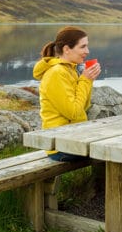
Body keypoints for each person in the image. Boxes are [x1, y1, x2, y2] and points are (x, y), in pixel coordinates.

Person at [33, 26, 101, 161]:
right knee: (108, 151)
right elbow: (74, 113)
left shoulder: (70, 70)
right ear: (66, 49)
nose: (87, 51)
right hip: (60, 146)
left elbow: (83, 107)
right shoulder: (56, 73)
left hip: (72, 137)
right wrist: (85, 80)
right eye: (83, 47)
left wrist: (88, 81)